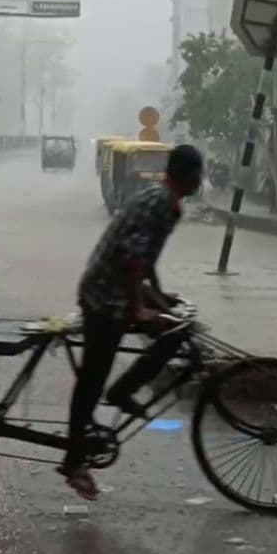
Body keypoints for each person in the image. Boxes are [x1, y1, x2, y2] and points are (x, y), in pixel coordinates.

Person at [59, 145, 204, 500]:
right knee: (92, 378)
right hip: (105, 295)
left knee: (175, 331)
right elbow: (132, 258)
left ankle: (122, 390)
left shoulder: (163, 201)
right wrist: (139, 308)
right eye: (199, 174)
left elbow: (146, 256)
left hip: (120, 288)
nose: (201, 181)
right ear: (189, 176)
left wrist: (160, 295)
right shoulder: (160, 203)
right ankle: (74, 460)